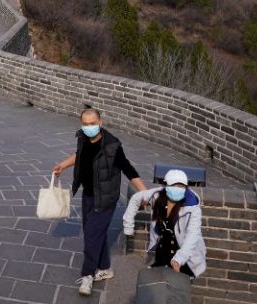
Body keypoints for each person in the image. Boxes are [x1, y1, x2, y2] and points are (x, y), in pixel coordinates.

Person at [53, 108, 147, 296]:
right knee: (95, 233)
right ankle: (104, 268)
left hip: (105, 198)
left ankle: (88, 275)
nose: (89, 127)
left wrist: (144, 192)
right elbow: (79, 154)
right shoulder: (82, 138)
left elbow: (128, 168)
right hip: (88, 194)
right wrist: (63, 165)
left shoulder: (112, 146)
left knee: (91, 236)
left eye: (93, 123)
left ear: (100, 123)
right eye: (85, 124)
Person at [122, 169, 206, 279]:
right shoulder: (157, 196)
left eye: (181, 186)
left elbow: (193, 236)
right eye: (175, 186)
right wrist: (128, 225)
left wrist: (179, 258)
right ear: (166, 186)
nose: (178, 189)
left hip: (185, 257)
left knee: (178, 286)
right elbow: (136, 199)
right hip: (161, 253)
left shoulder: (192, 208)